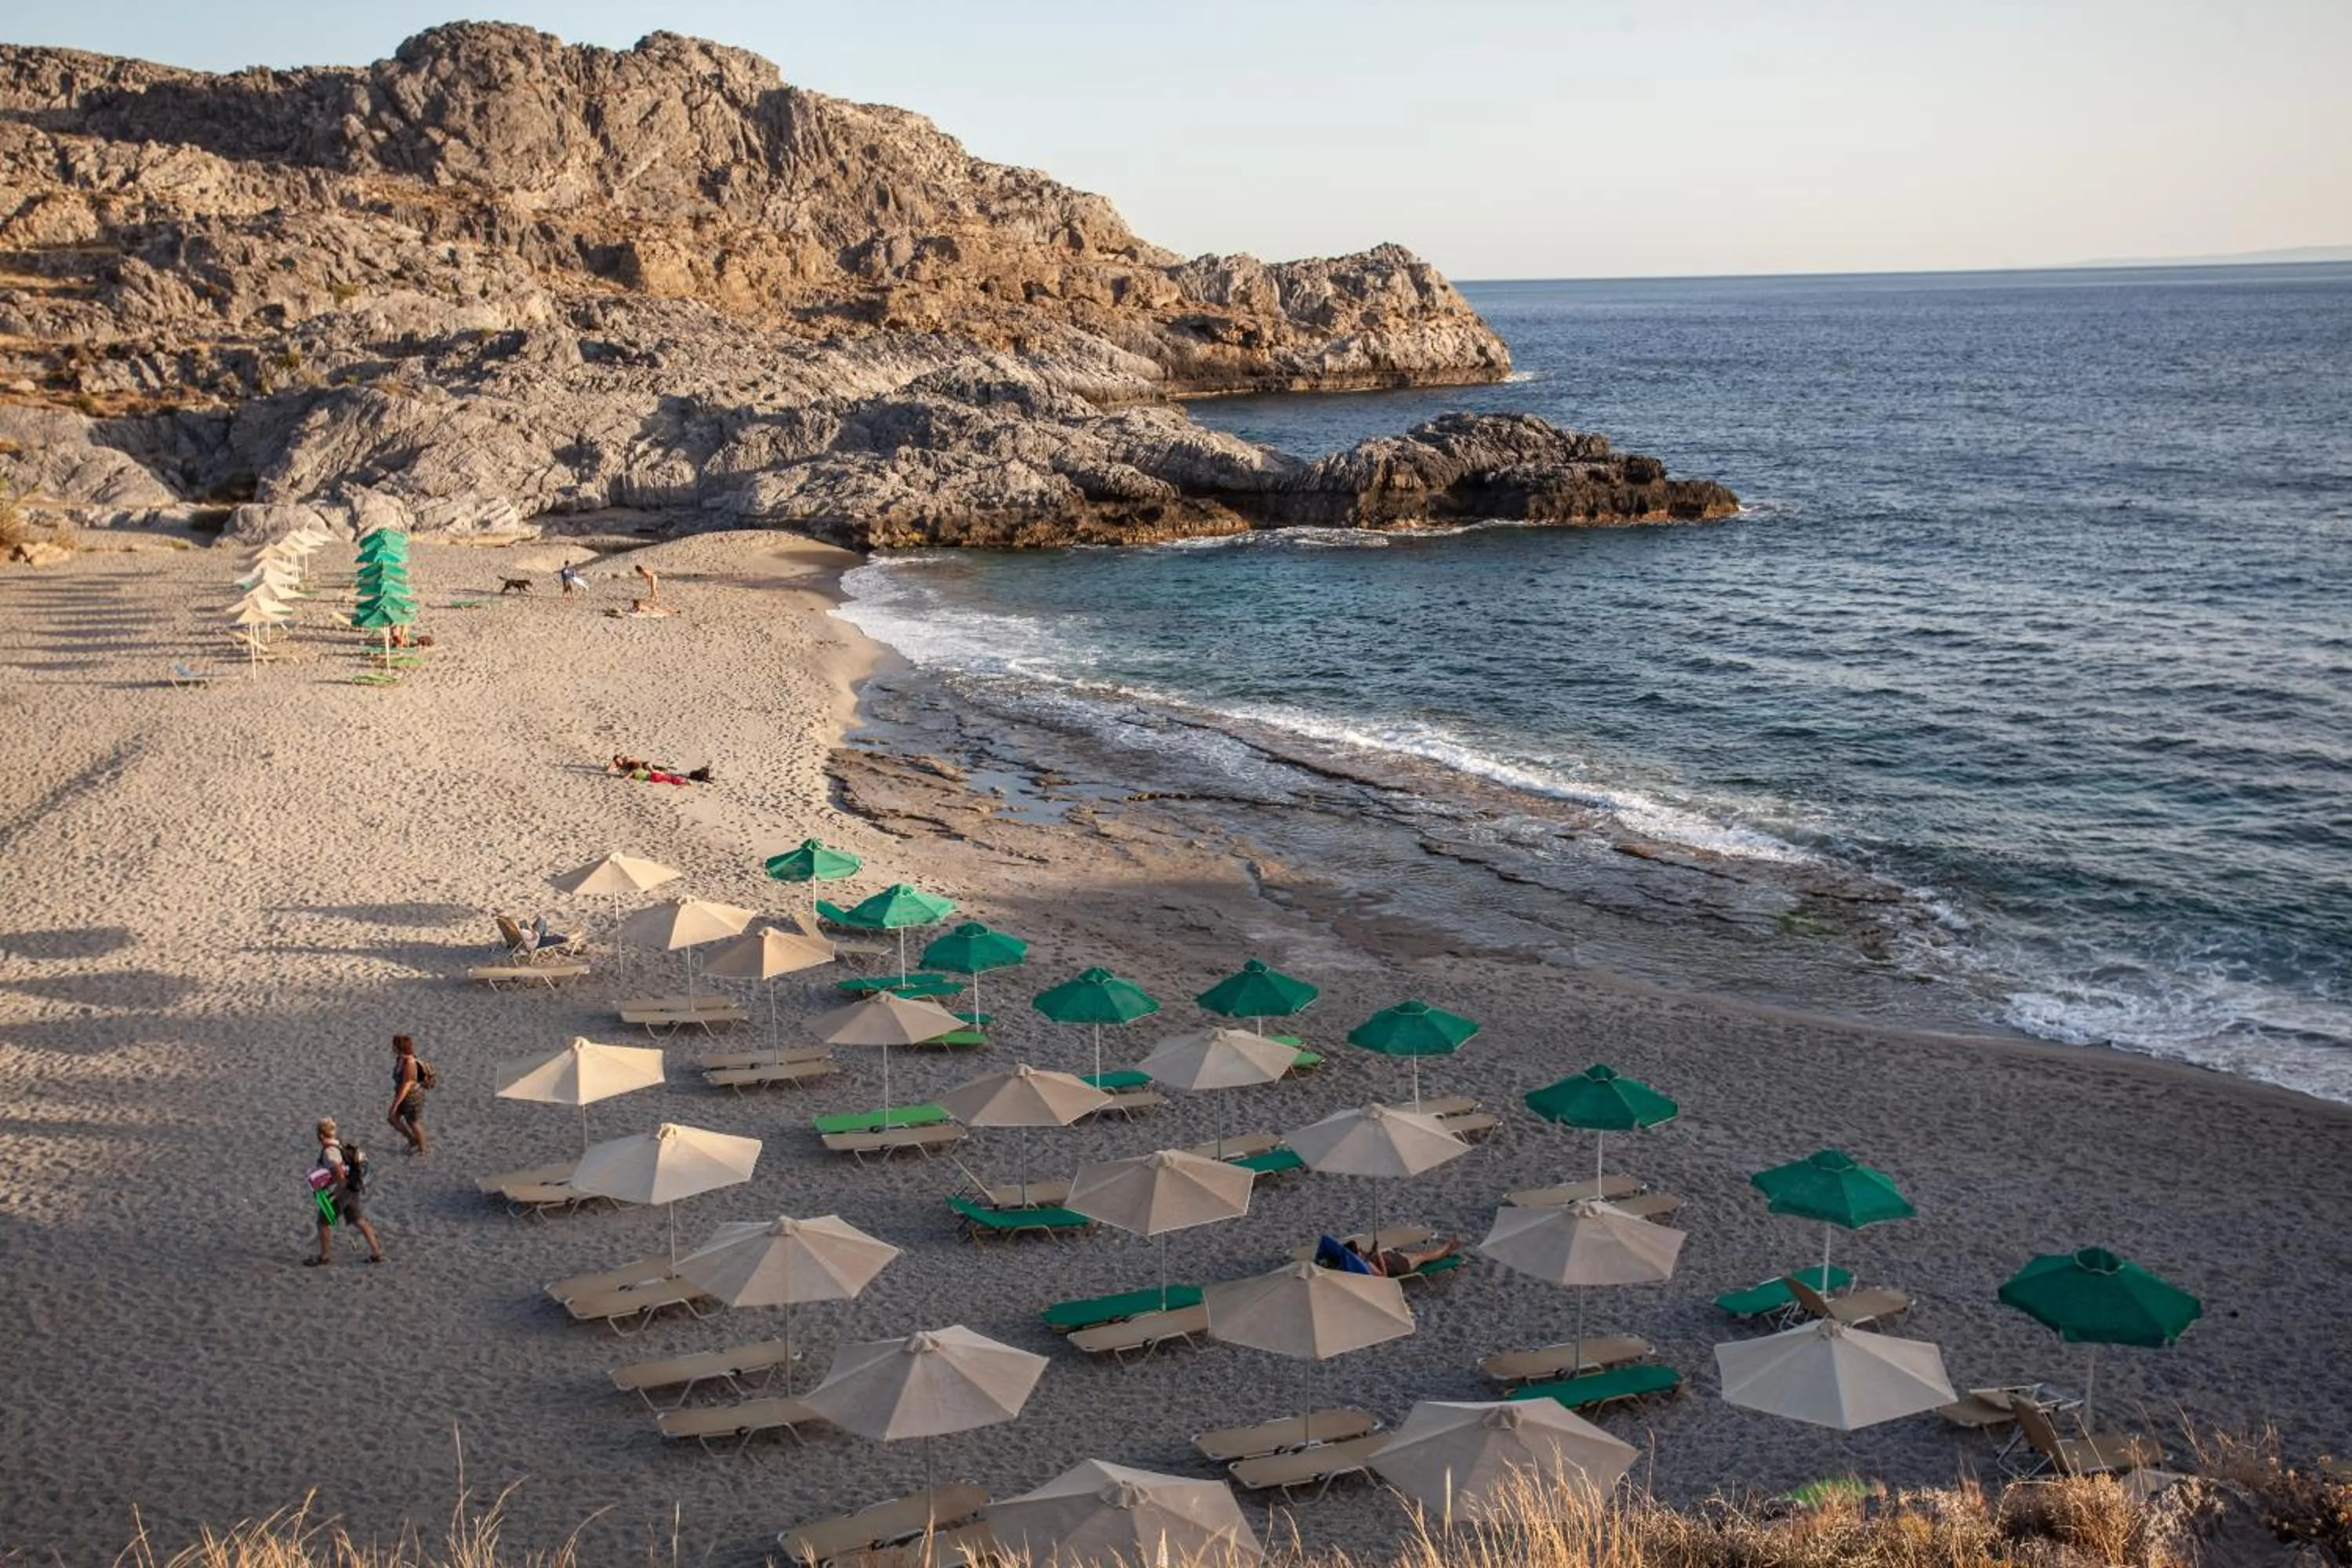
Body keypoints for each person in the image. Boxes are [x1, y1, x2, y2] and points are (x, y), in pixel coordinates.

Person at [308, 1117, 384, 1266]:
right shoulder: (339, 1144)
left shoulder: (329, 1152)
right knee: (359, 1220)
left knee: (323, 1222)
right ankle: (377, 1253)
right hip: (353, 1188)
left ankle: (324, 1256)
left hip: (342, 1191)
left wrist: (336, 1191)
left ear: (321, 1135)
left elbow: (338, 1172)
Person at [387, 1035, 428, 1156]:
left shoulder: (409, 1063)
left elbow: (406, 1086)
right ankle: (412, 1140)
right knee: (393, 1118)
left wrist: (395, 1104)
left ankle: (422, 1148)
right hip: (401, 1094)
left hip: (412, 1096)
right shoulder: (400, 1059)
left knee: (413, 1122)